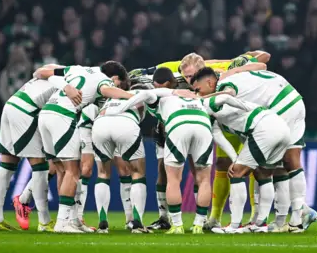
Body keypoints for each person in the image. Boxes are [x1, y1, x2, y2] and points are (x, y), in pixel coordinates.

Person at [129, 51, 270, 230]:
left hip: (219, 121)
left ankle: (215, 219)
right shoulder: (175, 69)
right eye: (186, 76)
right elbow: (138, 74)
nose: (189, 80)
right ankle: (166, 218)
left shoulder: (221, 71)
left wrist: (234, 65)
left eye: (192, 75)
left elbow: (264, 58)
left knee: (225, 167)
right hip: (177, 124)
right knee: (164, 169)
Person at [192, 66, 317, 233]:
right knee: (281, 165)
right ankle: (284, 220)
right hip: (287, 102)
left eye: (198, 90)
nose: (198, 94)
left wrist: (200, 101)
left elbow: (228, 94)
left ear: (209, 82)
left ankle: (295, 213)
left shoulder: (224, 85)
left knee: (282, 164)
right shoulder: (220, 110)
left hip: (279, 106)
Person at [105, 70, 214, 235]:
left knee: (173, 179)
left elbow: (144, 95)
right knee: (204, 179)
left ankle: (177, 225)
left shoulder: (159, 96)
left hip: (179, 124)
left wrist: (119, 109)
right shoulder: (193, 95)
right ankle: (199, 224)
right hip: (203, 125)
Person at [33, 61, 133, 233]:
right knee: (73, 171)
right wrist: (133, 97)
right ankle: (62, 223)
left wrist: (65, 86)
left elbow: (39, 72)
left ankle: (72, 220)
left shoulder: (76, 69)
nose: (117, 87)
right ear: (115, 77)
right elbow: (106, 90)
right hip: (62, 116)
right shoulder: (104, 79)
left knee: (61, 170)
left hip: (45, 114)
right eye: (120, 84)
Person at [0, 67, 82, 232]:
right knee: (40, 167)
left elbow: (38, 72)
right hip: (27, 111)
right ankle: (44, 222)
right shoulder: (71, 84)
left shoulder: (53, 73)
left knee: (7, 166)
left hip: (11, 105)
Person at [198, 85, 291, 233]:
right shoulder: (212, 123)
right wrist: (235, 159)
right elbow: (221, 139)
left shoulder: (205, 104)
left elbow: (227, 97)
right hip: (280, 127)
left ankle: (235, 226)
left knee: (236, 173)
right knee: (264, 174)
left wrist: (247, 108)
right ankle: (260, 224)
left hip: (264, 127)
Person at [92, 82, 153, 233]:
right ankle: (137, 223)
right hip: (126, 123)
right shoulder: (142, 98)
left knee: (102, 173)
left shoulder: (111, 98)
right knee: (137, 172)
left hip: (100, 123)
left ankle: (102, 222)